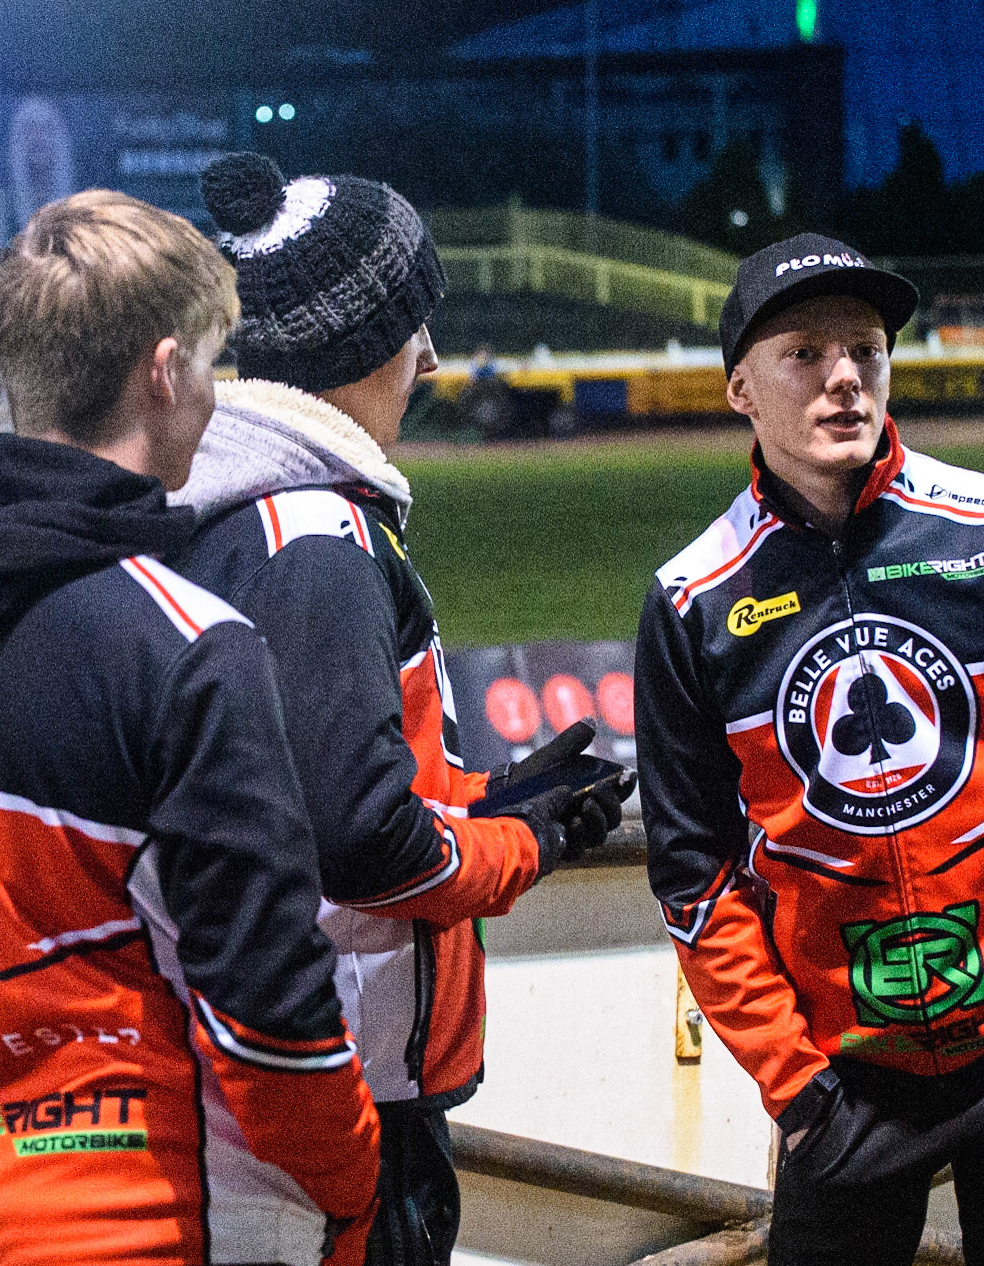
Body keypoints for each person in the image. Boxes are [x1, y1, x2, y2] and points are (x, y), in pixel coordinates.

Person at [0, 190, 381, 1266]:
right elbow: (271, 1017)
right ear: (164, 370)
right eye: (213, 364)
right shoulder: (188, 647)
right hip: (191, 1215)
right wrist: (353, 1180)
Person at [635, 233, 984, 1266]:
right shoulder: (692, 600)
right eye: (804, 355)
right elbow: (692, 873)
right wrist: (793, 1080)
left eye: (865, 351)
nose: (842, 380)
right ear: (740, 387)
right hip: (844, 1086)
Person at [169, 152, 626, 1266]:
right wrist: (515, 842)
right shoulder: (310, 537)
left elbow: (305, 790)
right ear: (352, 344)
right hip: (336, 1090)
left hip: (258, 1077)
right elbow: (358, 839)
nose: (427, 357)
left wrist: (472, 797)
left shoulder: (239, 516)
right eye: (413, 322)